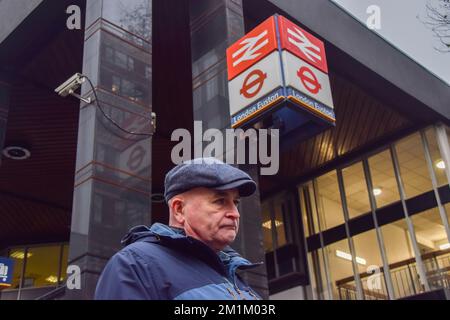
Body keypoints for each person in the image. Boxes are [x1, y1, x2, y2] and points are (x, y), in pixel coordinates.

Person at [95, 158, 262, 300]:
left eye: (236, 202)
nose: (235, 213)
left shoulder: (234, 276)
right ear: (179, 209)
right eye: (220, 201)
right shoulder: (135, 266)